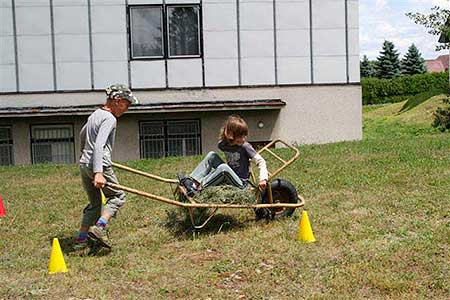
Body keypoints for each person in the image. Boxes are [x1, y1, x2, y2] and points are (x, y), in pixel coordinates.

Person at [74, 84, 138, 251]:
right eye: (126, 104)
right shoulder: (110, 118)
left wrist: (84, 157)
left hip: (85, 163)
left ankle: (81, 240)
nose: (127, 108)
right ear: (117, 101)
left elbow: (83, 134)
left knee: (95, 204)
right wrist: (98, 172)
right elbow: (99, 145)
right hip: (99, 164)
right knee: (118, 196)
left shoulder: (96, 114)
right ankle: (99, 228)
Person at [178, 115, 268, 197]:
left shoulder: (245, 146)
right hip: (229, 177)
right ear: (230, 135)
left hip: (241, 183)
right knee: (211, 155)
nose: (243, 139)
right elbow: (223, 138)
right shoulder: (223, 145)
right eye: (240, 136)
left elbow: (261, 161)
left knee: (223, 168)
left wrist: (263, 179)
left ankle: (199, 188)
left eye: (245, 136)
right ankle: (193, 183)